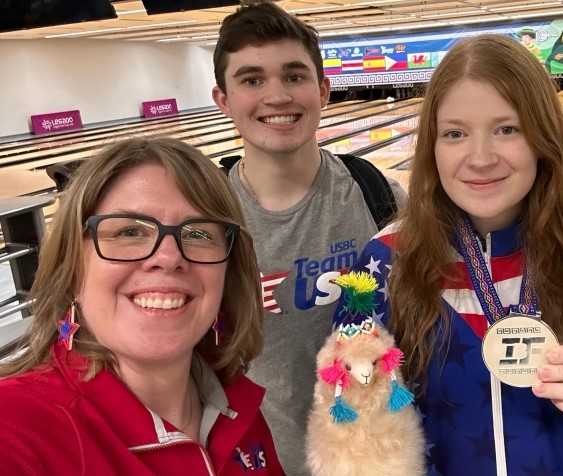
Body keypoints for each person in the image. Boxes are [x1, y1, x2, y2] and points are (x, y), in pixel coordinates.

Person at [334, 34, 563, 475]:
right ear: (431, 147)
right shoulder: (386, 262)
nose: (480, 158)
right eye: (455, 133)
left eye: (507, 129)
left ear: (543, 136)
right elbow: (349, 433)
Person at [0, 137, 284, 474]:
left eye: (198, 234)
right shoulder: (17, 429)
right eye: (129, 232)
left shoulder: (238, 407)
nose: (169, 257)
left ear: (227, 274)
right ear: (73, 267)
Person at [210, 1, 406, 473]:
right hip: (257, 461)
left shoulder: (379, 196)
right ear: (224, 100)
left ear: (323, 89)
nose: (276, 96)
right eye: (251, 80)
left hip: (376, 459)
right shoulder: (204, 216)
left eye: (294, 76)